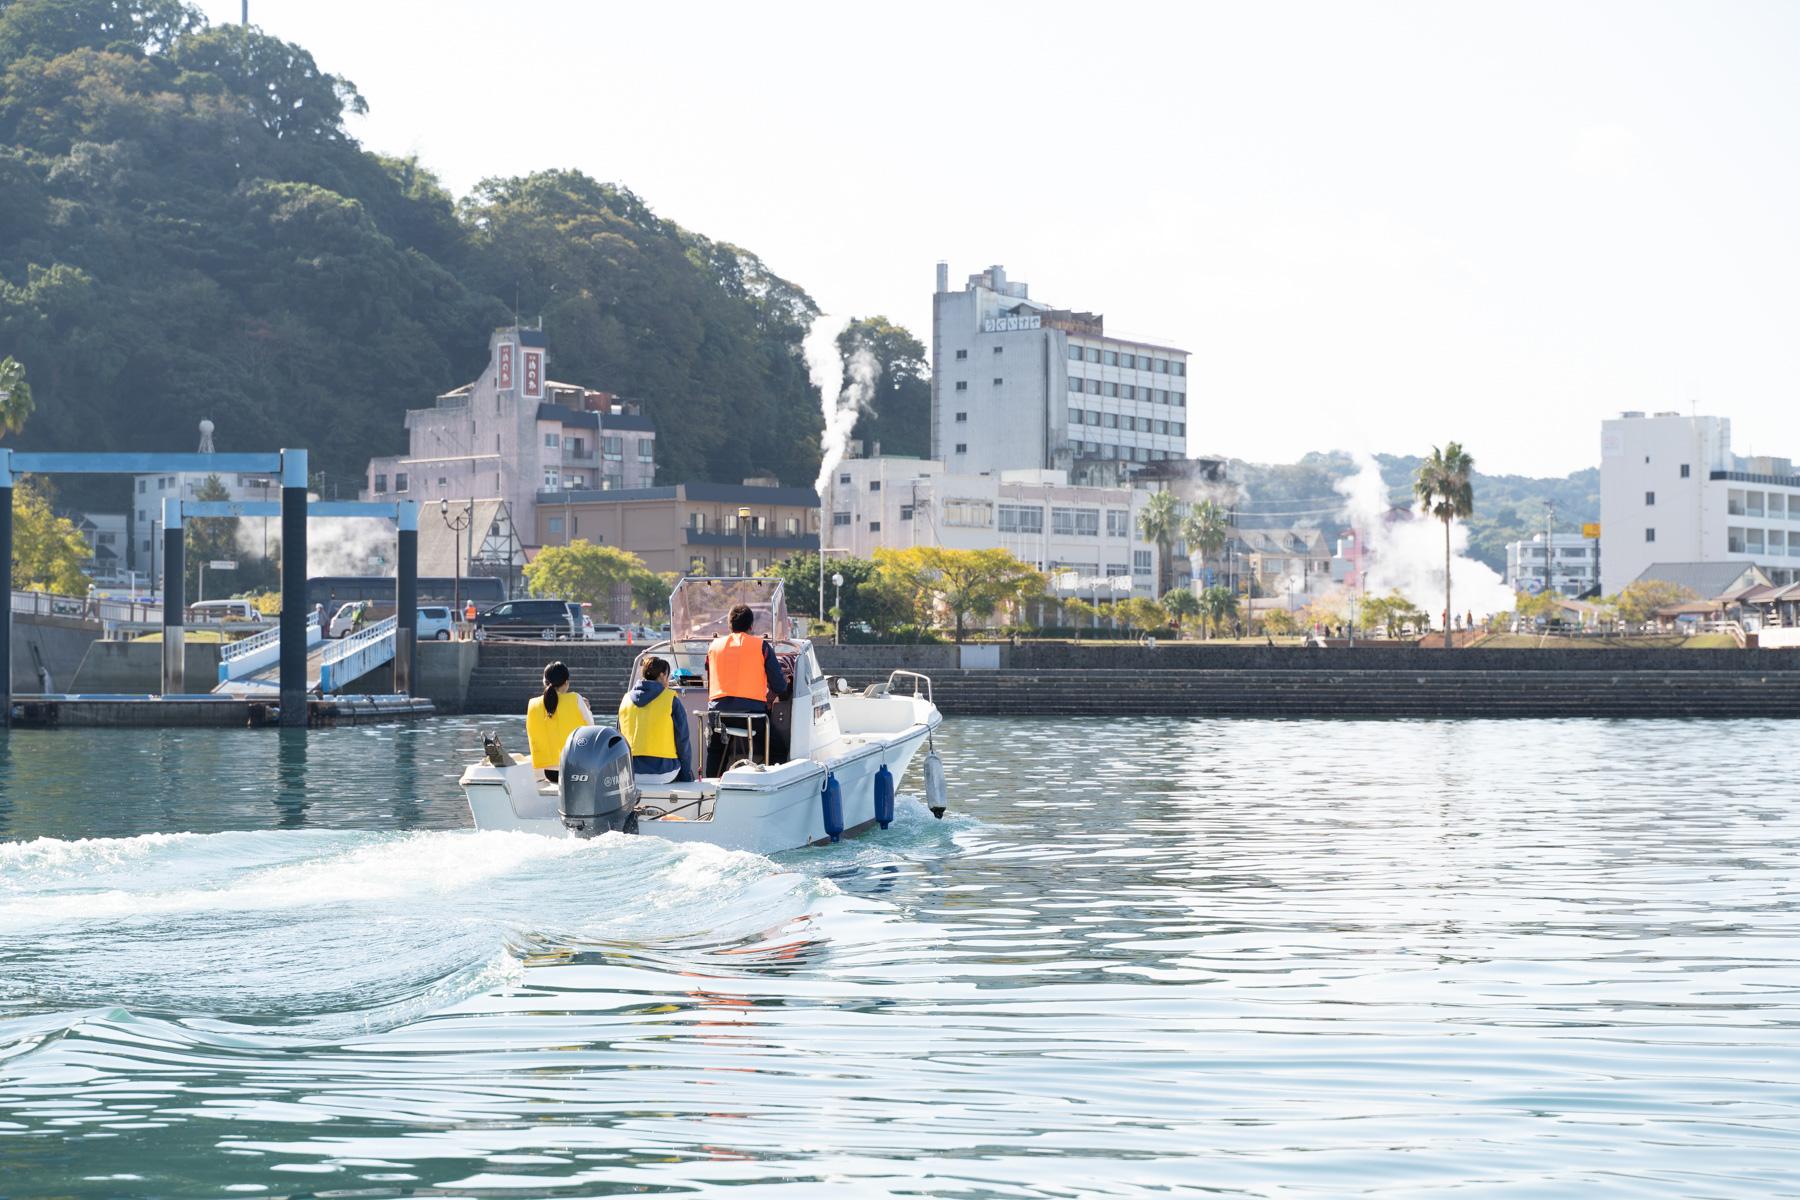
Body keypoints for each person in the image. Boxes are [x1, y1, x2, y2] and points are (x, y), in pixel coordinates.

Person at [706, 603, 790, 763]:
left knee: (716, 750)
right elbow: (779, 685)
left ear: (729, 625)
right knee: (778, 749)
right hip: (751, 714)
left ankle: (711, 782)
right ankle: (767, 781)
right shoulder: (761, 646)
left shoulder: (713, 646)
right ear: (751, 626)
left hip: (718, 713)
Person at [618, 656, 694, 785]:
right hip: (664, 772)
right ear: (662, 675)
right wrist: (686, 775)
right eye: (668, 676)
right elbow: (682, 740)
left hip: (631, 773)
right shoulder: (671, 699)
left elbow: (617, 738)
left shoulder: (625, 699)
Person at [525, 660, 593, 783]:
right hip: (574, 770)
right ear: (566, 682)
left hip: (547, 771)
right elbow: (592, 729)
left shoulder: (532, 704)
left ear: (544, 682)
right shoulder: (576, 699)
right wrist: (587, 709)